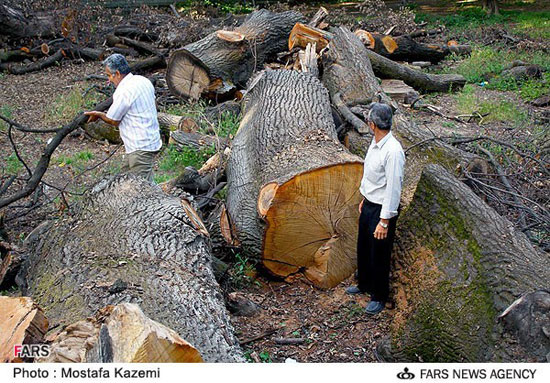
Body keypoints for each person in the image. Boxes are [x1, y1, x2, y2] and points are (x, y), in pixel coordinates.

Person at [346, 103, 405, 315]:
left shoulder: (393, 151)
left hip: (383, 208)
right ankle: (364, 283)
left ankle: (378, 296)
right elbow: (371, 174)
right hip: (370, 202)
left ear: (372, 124)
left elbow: (393, 188)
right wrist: (365, 197)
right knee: (364, 246)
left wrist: (385, 220)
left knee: (379, 252)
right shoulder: (375, 142)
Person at [85, 54, 161, 183]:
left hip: (140, 145)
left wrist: (99, 115)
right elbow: (153, 105)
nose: (109, 80)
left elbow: (113, 119)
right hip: (149, 139)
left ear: (118, 73)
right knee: (125, 179)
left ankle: (161, 201)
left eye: (109, 75)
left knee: (142, 188)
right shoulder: (142, 81)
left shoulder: (124, 91)